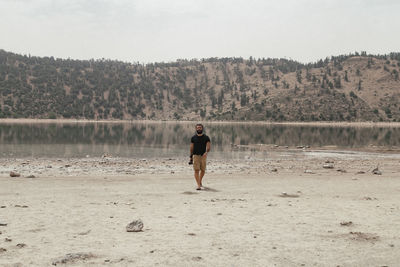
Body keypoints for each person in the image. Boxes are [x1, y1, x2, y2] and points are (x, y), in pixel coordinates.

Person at [189, 123, 211, 190]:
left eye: (200, 127)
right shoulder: (193, 138)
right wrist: (190, 157)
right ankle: (198, 185)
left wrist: (206, 152)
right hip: (195, 156)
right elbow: (191, 148)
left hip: (203, 156)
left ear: (202, 128)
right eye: (198, 128)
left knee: (203, 170)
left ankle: (200, 181)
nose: (199, 129)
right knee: (196, 170)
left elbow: (208, 147)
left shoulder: (206, 137)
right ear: (196, 129)